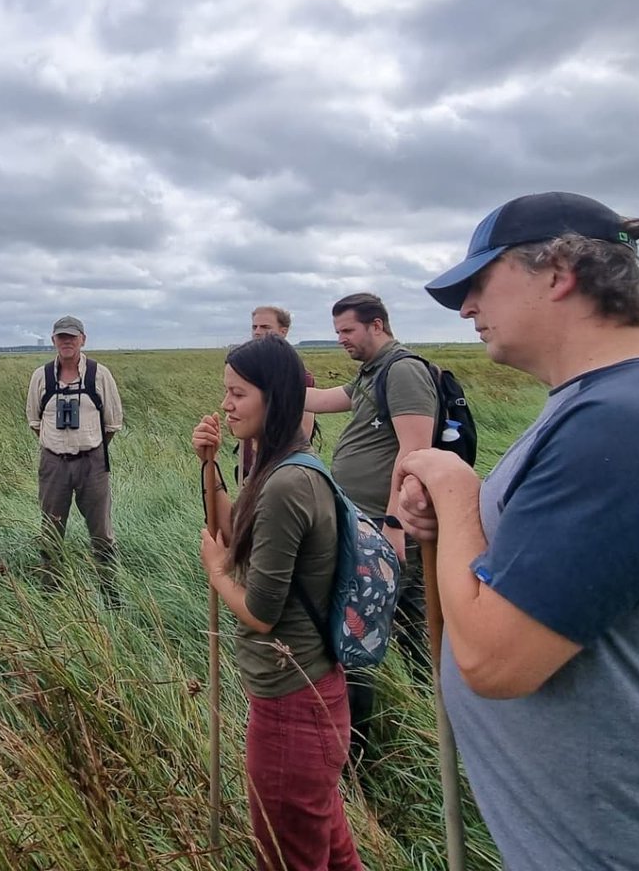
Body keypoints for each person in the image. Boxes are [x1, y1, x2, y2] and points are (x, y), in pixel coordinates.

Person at [398, 191, 639, 871]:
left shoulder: (632, 422)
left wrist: (456, 488)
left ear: (559, 271)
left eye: (480, 283)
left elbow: (494, 661)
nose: (466, 308)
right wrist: (463, 518)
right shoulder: (613, 403)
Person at [193, 335, 364, 871]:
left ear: (277, 397)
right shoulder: (283, 466)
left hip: (293, 706)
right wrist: (208, 465)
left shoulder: (288, 483)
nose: (226, 404)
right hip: (310, 693)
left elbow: (261, 613)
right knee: (332, 852)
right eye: (226, 391)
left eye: (239, 393)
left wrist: (217, 572)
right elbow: (236, 533)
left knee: (289, 857)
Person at [303, 291, 436, 757]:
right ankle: (417, 707)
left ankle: (422, 718)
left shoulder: (402, 371)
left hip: (388, 527)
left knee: (396, 621)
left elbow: (415, 454)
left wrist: (394, 525)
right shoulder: (371, 373)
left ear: (376, 325)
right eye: (337, 331)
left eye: (348, 330)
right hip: (366, 522)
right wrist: (266, 381)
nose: (341, 339)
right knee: (391, 618)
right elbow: (322, 399)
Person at [25, 316, 124, 583]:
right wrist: (57, 445)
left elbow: (112, 423)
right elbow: (35, 421)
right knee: (51, 530)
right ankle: (51, 589)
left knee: (101, 532)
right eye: (61, 336)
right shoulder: (41, 376)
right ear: (53, 340)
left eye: (72, 336)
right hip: (53, 464)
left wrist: (87, 446)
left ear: (83, 339)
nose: (67, 341)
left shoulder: (99, 374)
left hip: (92, 463)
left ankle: (109, 588)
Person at [237, 306, 316, 483]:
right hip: (249, 465)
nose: (257, 332)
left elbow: (305, 429)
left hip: (280, 468)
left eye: (265, 327)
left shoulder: (297, 376)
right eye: (254, 327)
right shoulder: (247, 373)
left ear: (283, 332)